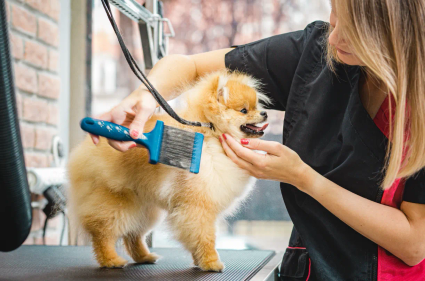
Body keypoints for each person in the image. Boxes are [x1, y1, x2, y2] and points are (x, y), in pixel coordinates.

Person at [90, 0, 425, 280]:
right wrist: (145, 98)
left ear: (390, 34)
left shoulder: (418, 107)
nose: (334, 39)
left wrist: (303, 177)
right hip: (303, 267)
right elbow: (189, 66)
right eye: (335, 15)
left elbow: (413, 244)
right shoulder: (315, 52)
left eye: (351, 31)